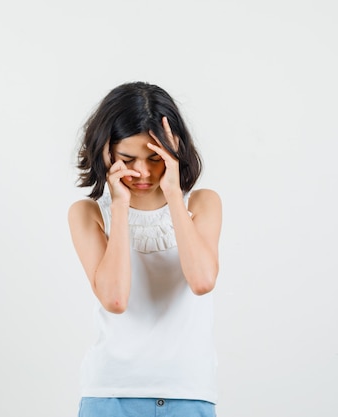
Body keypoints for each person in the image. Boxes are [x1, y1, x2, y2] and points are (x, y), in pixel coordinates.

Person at [68, 81, 222, 417]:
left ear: (175, 151)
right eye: (127, 158)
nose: (142, 171)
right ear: (106, 151)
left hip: (189, 392)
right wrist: (121, 208)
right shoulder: (89, 213)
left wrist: (171, 193)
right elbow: (115, 299)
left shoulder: (202, 203)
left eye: (155, 158)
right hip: (111, 395)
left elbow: (201, 280)